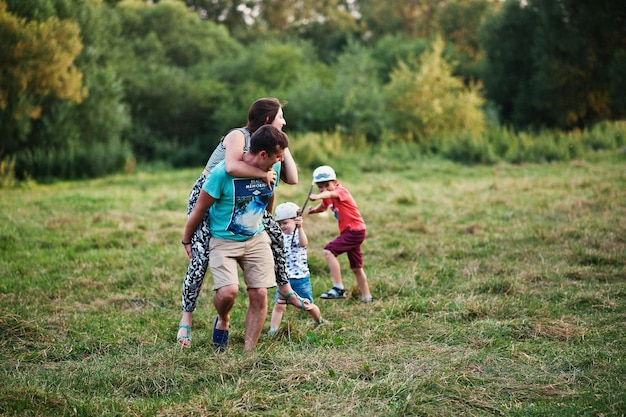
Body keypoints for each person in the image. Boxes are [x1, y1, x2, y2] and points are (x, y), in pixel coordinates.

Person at [177, 98, 321, 348]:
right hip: (211, 195)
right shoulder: (239, 136)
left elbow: (293, 179)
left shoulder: (270, 146)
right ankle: (186, 319)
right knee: (199, 259)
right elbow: (232, 167)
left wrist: (282, 150)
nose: (284, 121)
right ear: (267, 119)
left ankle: (285, 288)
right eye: (280, 116)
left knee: (275, 236)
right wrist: (265, 173)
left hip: (247, 200)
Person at [181, 125, 287, 352]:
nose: (280, 160)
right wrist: (186, 238)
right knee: (228, 291)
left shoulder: (272, 168)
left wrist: (266, 217)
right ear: (262, 155)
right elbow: (199, 209)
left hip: (256, 240)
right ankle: (223, 318)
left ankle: (249, 353)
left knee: (259, 293)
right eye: (277, 155)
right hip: (223, 241)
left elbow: (270, 194)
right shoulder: (221, 174)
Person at [307, 165, 373, 303]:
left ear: (335, 182)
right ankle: (367, 297)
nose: (324, 189)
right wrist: (314, 210)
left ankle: (338, 288)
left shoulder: (340, 191)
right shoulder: (327, 195)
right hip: (352, 231)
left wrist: (318, 195)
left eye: (327, 185)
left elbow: (330, 194)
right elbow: (324, 206)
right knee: (356, 267)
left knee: (328, 251)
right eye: (320, 186)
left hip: (355, 231)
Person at [268, 202, 321, 335]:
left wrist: (300, 228)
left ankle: (319, 320)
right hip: (284, 279)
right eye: (280, 224)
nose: (282, 226)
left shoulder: (298, 234)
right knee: (279, 304)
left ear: (295, 221)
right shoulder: (279, 236)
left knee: (307, 305)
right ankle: (273, 330)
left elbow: (304, 244)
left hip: (300, 278)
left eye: (285, 223)